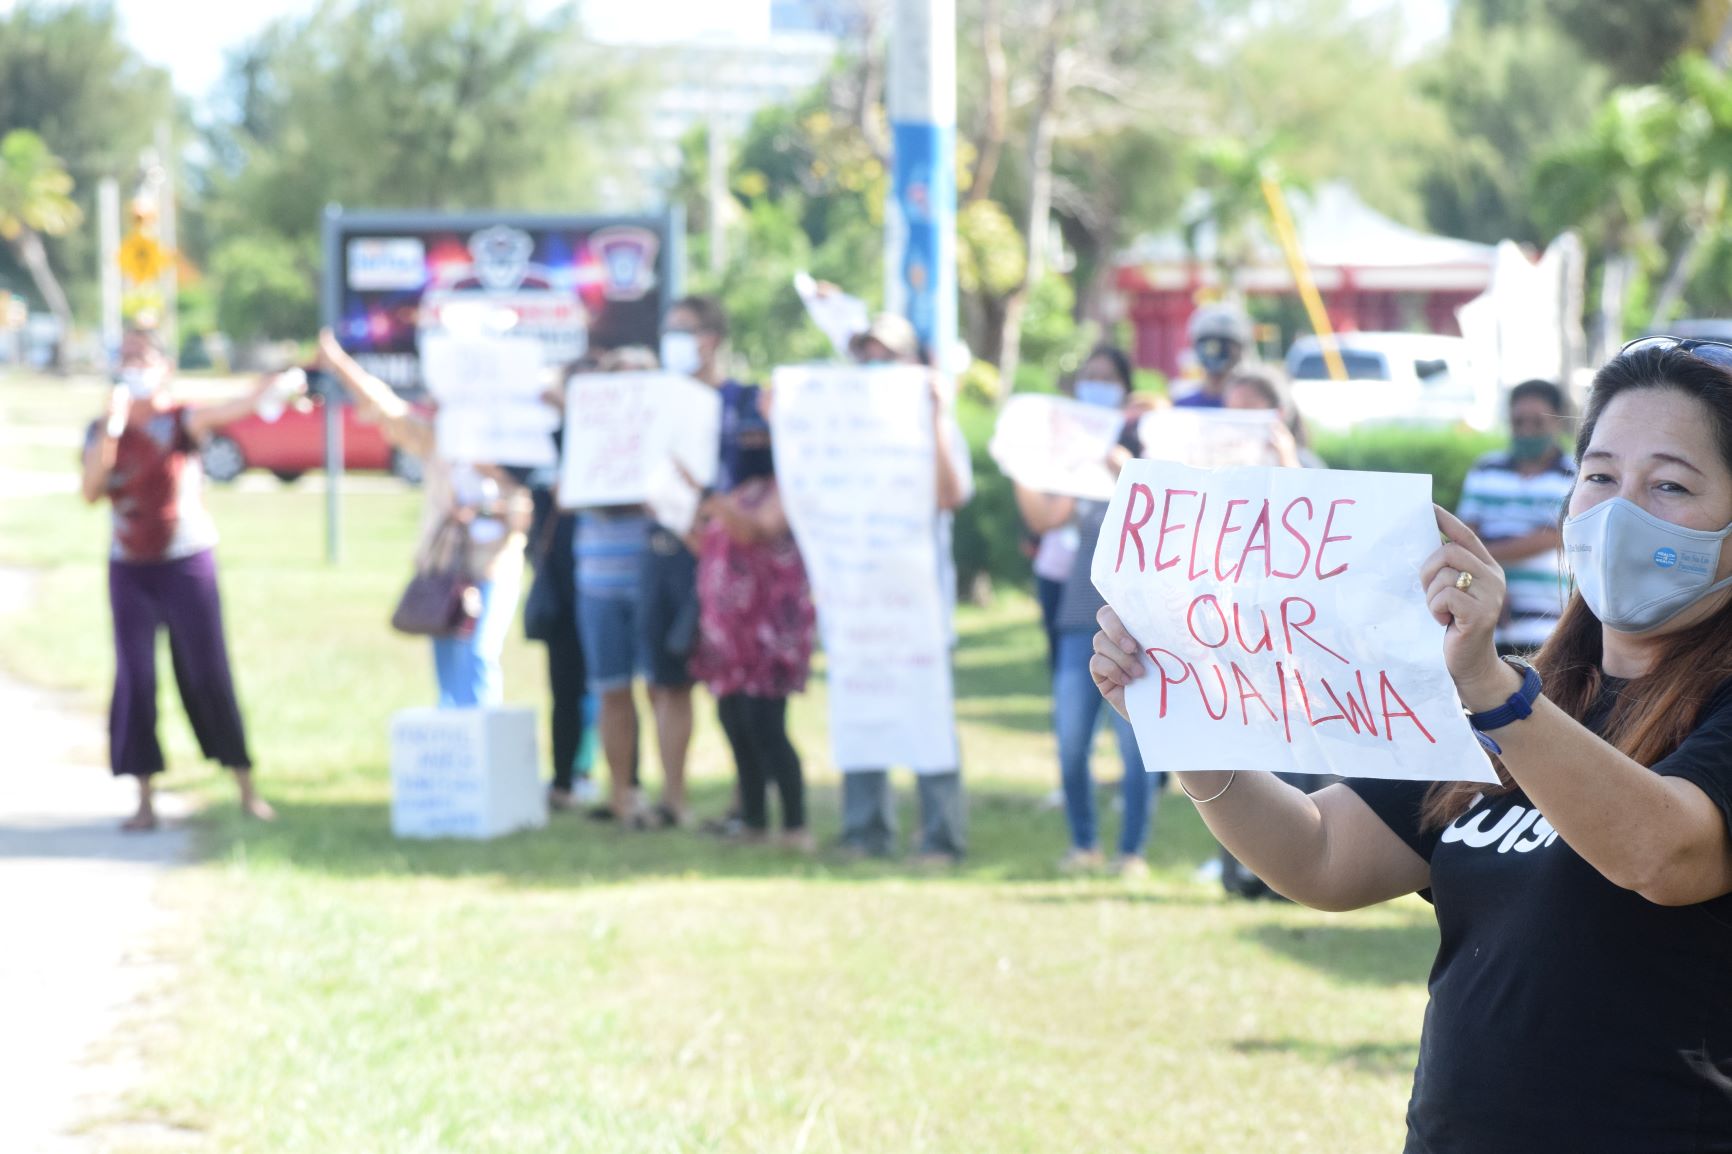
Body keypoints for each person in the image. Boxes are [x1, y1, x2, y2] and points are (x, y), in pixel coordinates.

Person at [1088, 337, 1732, 1151]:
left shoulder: (1514, 706)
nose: (1620, 511)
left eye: (1670, 484)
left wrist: (1494, 692)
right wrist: (1185, 721)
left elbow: (1662, 855)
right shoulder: (1526, 702)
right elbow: (1321, 858)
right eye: (1600, 476)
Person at [81, 327, 277, 831]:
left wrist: (271, 386)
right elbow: (90, 490)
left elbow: (231, 410)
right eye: (125, 358)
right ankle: (144, 801)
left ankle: (245, 788)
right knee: (137, 679)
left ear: (164, 367)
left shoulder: (182, 419)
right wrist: (112, 426)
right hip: (129, 565)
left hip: (186, 561)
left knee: (207, 672)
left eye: (142, 357)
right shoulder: (103, 427)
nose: (134, 367)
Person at [317, 329, 532, 708]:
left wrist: (489, 495)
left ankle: (483, 738)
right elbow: (385, 408)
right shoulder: (439, 440)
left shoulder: (514, 445)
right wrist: (339, 365)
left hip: (492, 568)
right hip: (445, 568)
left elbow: (525, 512)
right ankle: (456, 743)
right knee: (448, 665)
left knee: (480, 652)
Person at [1014, 345, 1157, 877]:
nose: (1096, 385)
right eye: (1088, 377)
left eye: (1107, 378)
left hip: (1137, 625)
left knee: (1135, 748)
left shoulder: (1144, 451)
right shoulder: (1072, 461)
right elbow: (1044, 518)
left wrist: (1128, 468)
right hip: (1079, 618)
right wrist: (1023, 460)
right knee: (1071, 743)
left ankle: (1131, 853)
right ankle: (1084, 843)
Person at [837, 312, 974, 864]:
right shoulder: (843, 427)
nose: (873, 365)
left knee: (927, 714)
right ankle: (864, 830)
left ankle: (942, 836)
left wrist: (938, 416)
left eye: (886, 355)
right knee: (860, 707)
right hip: (857, 595)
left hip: (918, 598)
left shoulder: (935, 420)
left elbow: (951, 494)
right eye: (865, 354)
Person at [688, 406, 816, 851]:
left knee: (767, 725)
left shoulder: (785, 491)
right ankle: (754, 818)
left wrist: (713, 500)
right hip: (729, 633)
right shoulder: (738, 491)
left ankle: (796, 824)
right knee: (734, 721)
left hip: (769, 630)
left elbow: (756, 532)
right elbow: (707, 543)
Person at [1456, 379, 1576, 655]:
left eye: (1537, 422)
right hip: (1485, 621)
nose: (1526, 431)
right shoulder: (1486, 468)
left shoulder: (1576, 474)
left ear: (1558, 423)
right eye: (1519, 422)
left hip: (1551, 625)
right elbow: (1464, 535)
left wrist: (1484, 560)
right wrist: (1490, 591)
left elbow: (1556, 536)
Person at [1172, 303, 1254, 408]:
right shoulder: (1183, 405)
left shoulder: (1252, 406)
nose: (1216, 352)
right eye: (1209, 345)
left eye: (1224, 345)